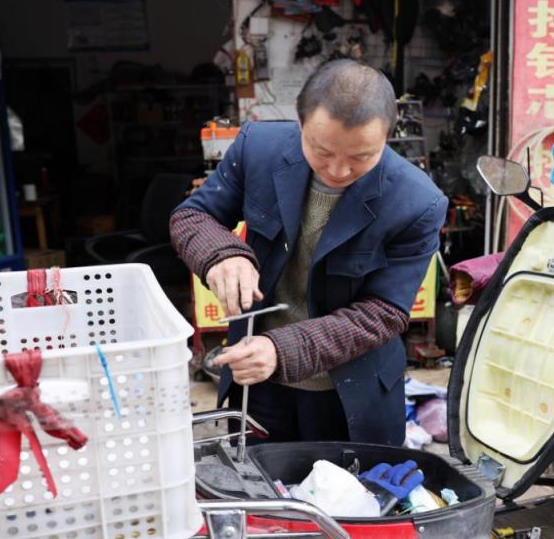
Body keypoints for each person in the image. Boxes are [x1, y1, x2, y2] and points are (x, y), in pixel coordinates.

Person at [170, 59, 447, 444]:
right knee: (261, 495)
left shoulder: (417, 201)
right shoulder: (258, 149)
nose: (337, 170)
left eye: (361, 157)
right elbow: (192, 216)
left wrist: (281, 349)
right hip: (258, 383)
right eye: (321, 150)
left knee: (353, 499)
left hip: (352, 394)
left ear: (388, 135)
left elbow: (383, 314)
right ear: (300, 123)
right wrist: (222, 253)